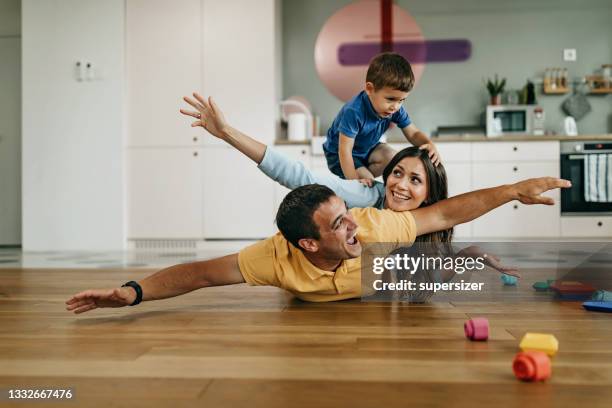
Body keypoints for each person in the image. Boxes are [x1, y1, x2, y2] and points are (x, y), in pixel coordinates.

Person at [66, 178, 569, 313]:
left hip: (384, 281)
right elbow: (198, 274)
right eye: (336, 225)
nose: (352, 227)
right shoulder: (273, 257)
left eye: (347, 215)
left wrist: (512, 191)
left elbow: (441, 212)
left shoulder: (370, 226)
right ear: (307, 242)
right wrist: (131, 292)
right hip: (315, 291)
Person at [179, 93, 516, 276]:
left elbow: (435, 255)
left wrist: (471, 255)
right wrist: (227, 133)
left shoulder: (426, 224)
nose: (399, 185)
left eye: (415, 180)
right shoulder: (369, 196)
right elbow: (296, 174)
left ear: (430, 194)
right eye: (396, 173)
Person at [322, 52, 439, 186]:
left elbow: (413, 133)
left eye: (402, 100)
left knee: (394, 158)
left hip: (368, 150)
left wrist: (430, 144)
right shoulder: (354, 111)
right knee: (367, 184)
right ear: (370, 89)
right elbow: (345, 151)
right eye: (390, 99)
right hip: (340, 156)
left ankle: (365, 176)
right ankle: (362, 180)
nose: (395, 106)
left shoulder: (395, 109)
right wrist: (354, 183)